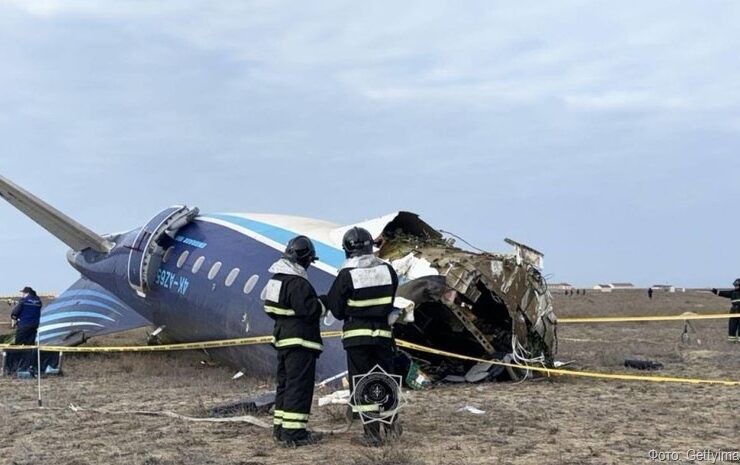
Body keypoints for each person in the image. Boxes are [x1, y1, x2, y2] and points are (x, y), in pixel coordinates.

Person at [323, 227, 400, 447]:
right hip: (383, 336)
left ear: (347, 249)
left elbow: (336, 309)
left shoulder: (347, 274)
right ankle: (392, 425)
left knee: (364, 383)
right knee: (386, 380)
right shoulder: (387, 270)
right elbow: (391, 300)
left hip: (358, 339)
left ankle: (372, 434)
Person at [263, 236, 325, 447]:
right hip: (300, 343)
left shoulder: (276, 280)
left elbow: (269, 309)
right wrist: (323, 303)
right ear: (305, 259)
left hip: (282, 340)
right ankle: (295, 434)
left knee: (285, 385)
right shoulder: (298, 283)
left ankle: (280, 430)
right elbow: (310, 311)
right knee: (299, 386)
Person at [10, 286, 43, 373]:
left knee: (18, 346)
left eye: (23, 293)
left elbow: (15, 313)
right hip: (34, 327)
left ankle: (15, 367)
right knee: (30, 347)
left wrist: (14, 317)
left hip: (23, 326)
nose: (22, 294)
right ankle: (28, 366)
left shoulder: (23, 301)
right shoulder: (38, 302)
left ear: (27, 293)